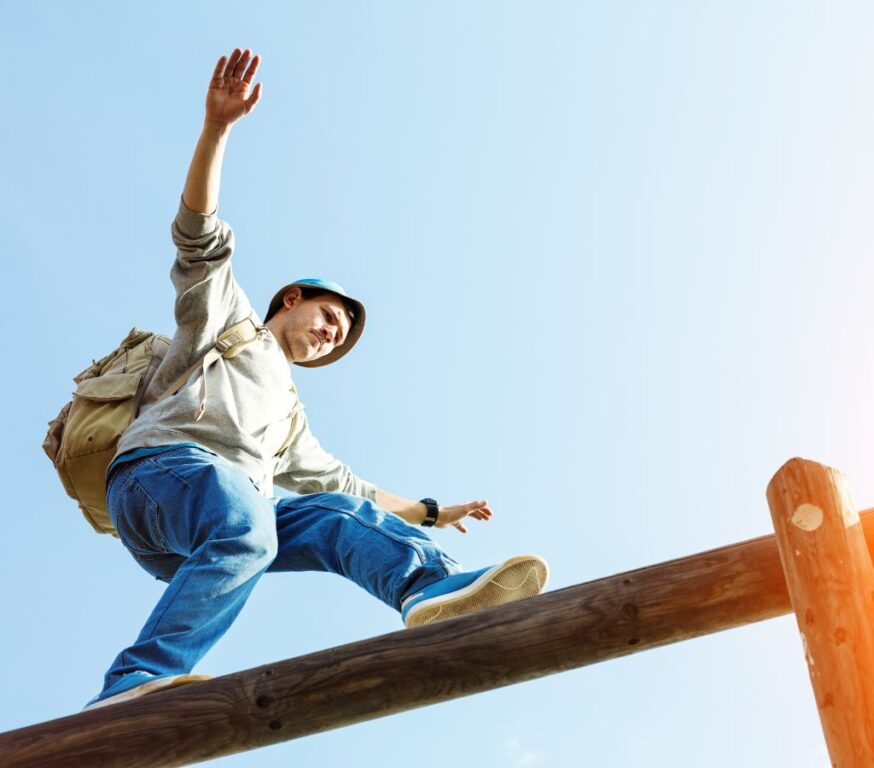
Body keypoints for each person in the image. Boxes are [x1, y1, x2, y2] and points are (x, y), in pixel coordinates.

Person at [83, 48, 548, 711]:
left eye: (339, 335)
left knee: (337, 515)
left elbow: (349, 486)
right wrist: (217, 128)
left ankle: (430, 589)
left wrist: (437, 512)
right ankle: (134, 682)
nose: (331, 333)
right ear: (291, 298)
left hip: (210, 531)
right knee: (251, 526)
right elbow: (198, 239)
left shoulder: (288, 417)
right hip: (159, 478)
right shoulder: (229, 320)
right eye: (328, 317)